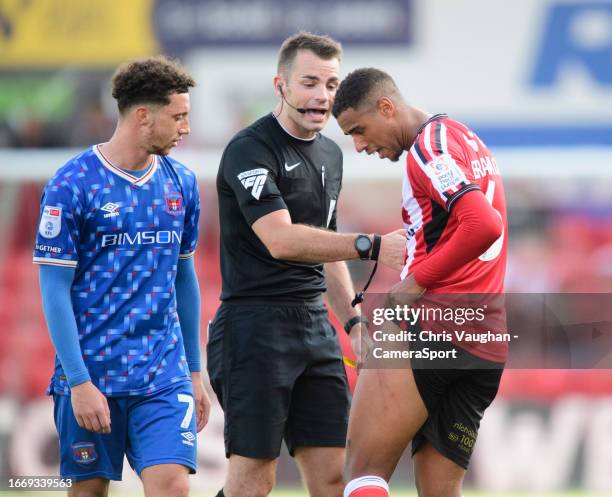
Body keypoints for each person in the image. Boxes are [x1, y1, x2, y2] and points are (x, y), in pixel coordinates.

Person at [207, 33, 406, 497]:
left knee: (333, 478)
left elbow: (326, 246)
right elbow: (281, 240)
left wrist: (354, 321)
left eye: (332, 84)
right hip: (253, 328)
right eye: (310, 82)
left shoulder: (332, 154)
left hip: (315, 329)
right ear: (281, 84)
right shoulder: (249, 150)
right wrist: (371, 245)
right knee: (253, 483)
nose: (322, 96)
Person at [33, 56, 210, 497]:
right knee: (88, 491)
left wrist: (193, 370)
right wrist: (78, 381)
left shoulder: (182, 183)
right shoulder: (72, 183)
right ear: (143, 116)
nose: (185, 128)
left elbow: (185, 279)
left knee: (173, 487)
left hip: (162, 374)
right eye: (179, 117)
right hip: (93, 375)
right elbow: (54, 291)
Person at [332, 68, 507, 497]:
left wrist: (411, 286)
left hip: (430, 327)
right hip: (484, 342)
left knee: (361, 474)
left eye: (359, 129)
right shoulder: (463, 138)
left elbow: (484, 224)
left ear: (387, 108)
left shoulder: (428, 148)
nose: (359, 146)